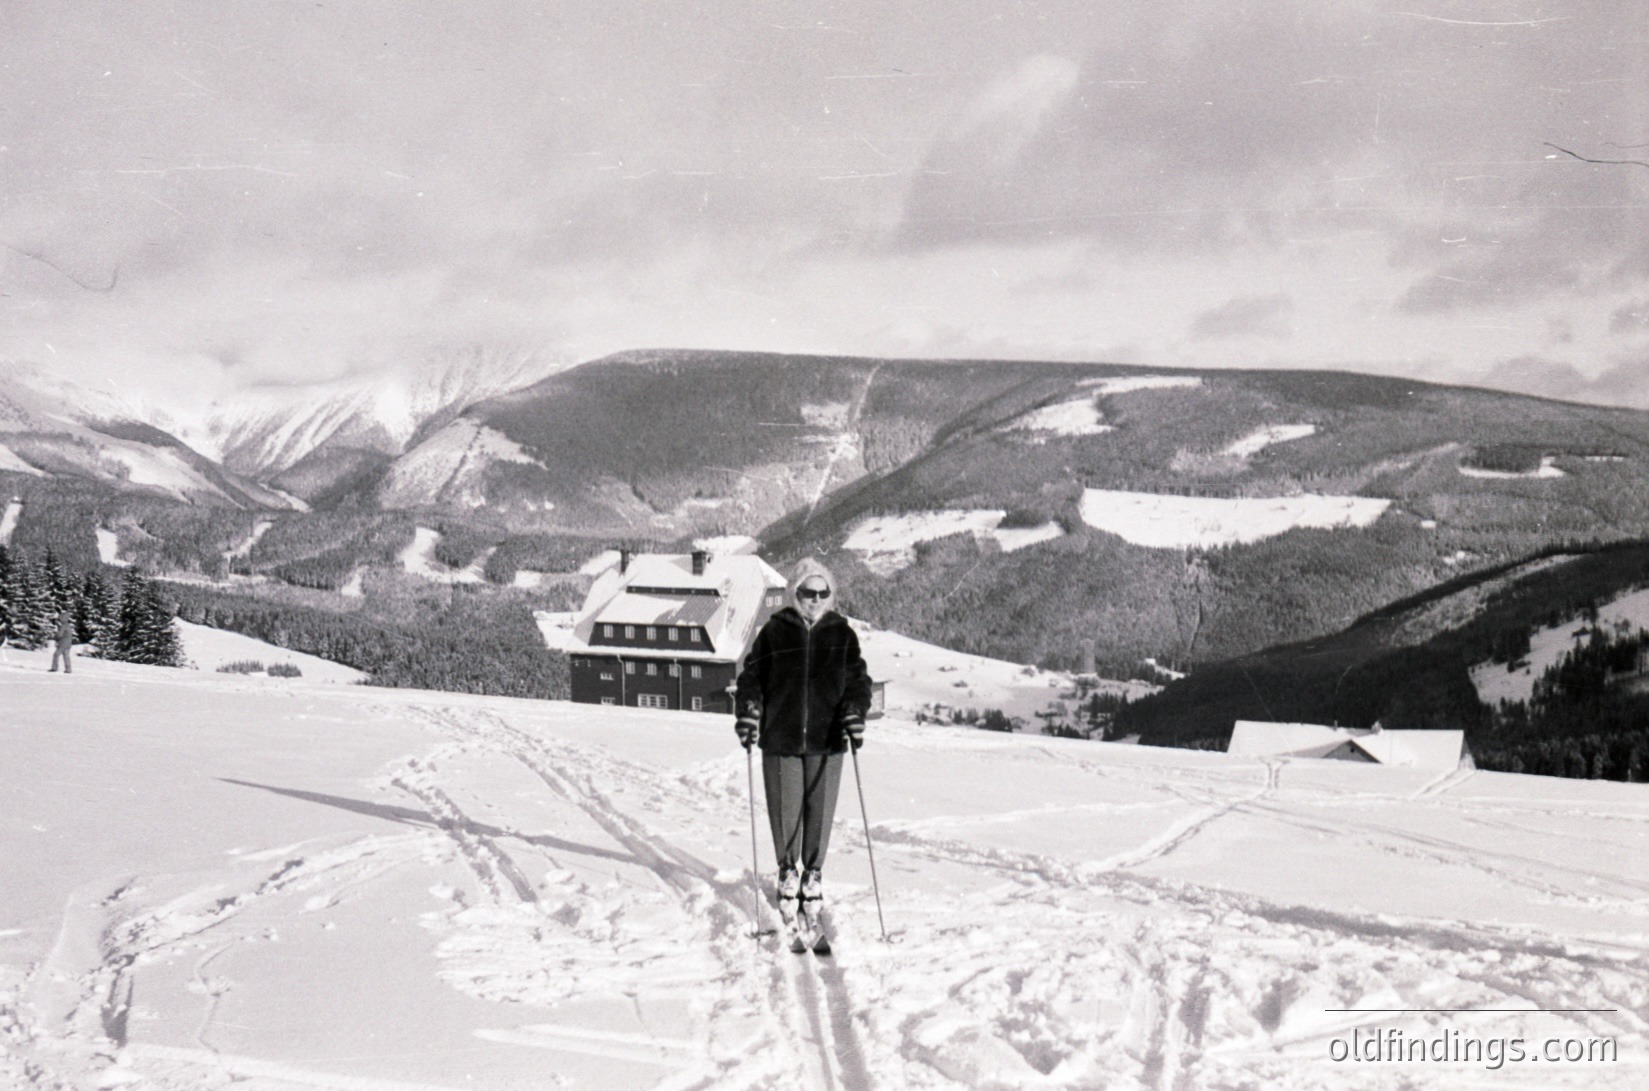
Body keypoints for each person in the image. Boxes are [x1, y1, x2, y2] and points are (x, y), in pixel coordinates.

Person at [734, 558, 871, 932]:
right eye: (807, 592)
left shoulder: (842, 634)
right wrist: (748, 710)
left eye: (822, 593)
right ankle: (786, 871)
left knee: (820, 810)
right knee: (786, 809)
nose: (814, 599)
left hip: (829, 740)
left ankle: (813, 873)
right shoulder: (775, 631)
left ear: (830, 595)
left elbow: (858, 681)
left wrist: (855, 711)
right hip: (781, 738)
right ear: (795, 592)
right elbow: (751, 677)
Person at [49, 607, 75, 674]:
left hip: (62, 643)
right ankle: (68, 669)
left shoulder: (63, 626)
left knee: (56, 655)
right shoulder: (68, 625)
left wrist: (55, 637)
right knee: (66, 657)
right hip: (68, 644)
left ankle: (54, 668)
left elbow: (60, 634)